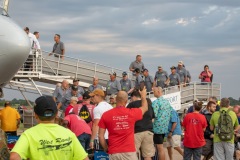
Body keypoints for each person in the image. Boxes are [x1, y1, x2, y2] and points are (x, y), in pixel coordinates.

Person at [9, 96, 88, 160]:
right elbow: (84, 158)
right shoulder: (69, 134)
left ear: (35, 115)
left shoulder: (28, 135)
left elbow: (14, 157)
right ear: (56, 114)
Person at [98, 88, 148, 160]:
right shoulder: (131, 113)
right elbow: (145, 107)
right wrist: (143, 96)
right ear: (126, 101)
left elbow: (100, 136)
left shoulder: (106, 115)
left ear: (116, 100)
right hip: (129, 152)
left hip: (114, 152)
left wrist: (106, 148)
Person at [127, 90, 155, 160]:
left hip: (136, 132)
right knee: (147, 156)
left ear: (134, 97)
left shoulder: (132, 105)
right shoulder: (149, 105)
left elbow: (127, 118)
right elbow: (152, 119)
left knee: (133, 154)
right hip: (148, 131)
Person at [152, 87, 173, 160]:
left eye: (154, 91)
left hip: (157, 128)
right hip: (164, 128)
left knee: (159, 148)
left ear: (158, 91)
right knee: (161, 148)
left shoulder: (156, 102)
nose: (153, 92)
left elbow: (153, 116)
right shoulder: (167, 102)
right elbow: (170, 114)